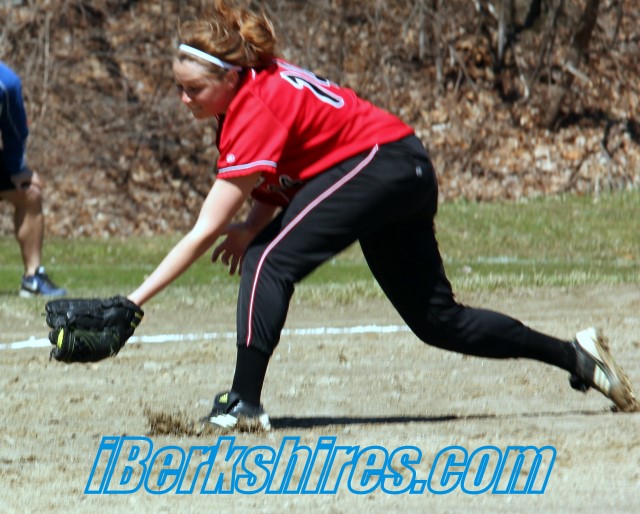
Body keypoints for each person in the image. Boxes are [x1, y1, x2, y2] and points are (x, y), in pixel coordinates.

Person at [127, 0, 637, 430]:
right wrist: (252, 225)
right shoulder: (257, 89)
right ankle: (577, 357)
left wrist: (131, 302)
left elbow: (205, 228)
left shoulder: (256, 102)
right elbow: (284, 175)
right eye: (179, 87)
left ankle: (243, 402)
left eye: (194, 88)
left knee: (268, 261)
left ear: (231, 75)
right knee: (439, 321)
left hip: (378, 164)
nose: (184, 99)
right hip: (398, 168)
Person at [0, 61, 66, 297]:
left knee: (30, 193)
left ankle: (33, 277)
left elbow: (15, 130)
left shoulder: (6, 83)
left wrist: (17, 169)